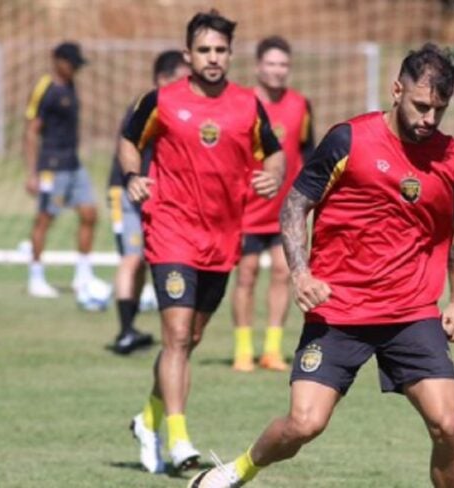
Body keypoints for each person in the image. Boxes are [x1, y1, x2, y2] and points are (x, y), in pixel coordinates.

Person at [189, 43, 454, 488]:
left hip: (410, 311)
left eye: (440, 109)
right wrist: (301, 273)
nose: (429, 120)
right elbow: (295, 205)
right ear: (396, 90)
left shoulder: (449, 155)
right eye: (421, 106)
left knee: (448, 426)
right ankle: (237, 470)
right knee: (305, 424)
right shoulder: (349, 140)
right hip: (339, 310)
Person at [120, 10, 285, 474]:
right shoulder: (162, 101)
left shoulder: (248, 105)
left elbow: (273, 153)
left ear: (230, 55)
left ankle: (147, 419)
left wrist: (273, 177)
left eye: (220, 50)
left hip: (222, 237)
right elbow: (130, 140)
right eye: (204, 50)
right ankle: (178, 438)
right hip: (170, 230)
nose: (213, 58)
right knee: (175, 335)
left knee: (190, 338)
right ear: (189, 54)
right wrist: (134, 176)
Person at [231, 35, 315, 373]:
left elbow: (308, 151)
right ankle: (242, 349)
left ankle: (272, 350)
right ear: (258, 66)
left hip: (284, 210)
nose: (278, 71)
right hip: (247, 209)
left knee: (284, 272)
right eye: (271, 64)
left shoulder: (300, 104)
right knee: (247, 275)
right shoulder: (242, 102)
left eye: (283, 65)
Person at [107, 50, 190, 355]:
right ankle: (125, 332)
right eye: (181, 77)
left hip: (156, 195)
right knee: (131, 257)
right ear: (162, 79)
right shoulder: (148, 105)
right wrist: (133, 179)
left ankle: (132, 327)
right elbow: (127, 146)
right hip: (126, 192)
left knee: (143, 259)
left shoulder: (181, 109)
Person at [24, 41, 100, 298]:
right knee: (46, 218)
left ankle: (83, 274)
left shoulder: (71, 85)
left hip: (73, 163)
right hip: (52, 166)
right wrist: (32, 173)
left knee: (90, 212)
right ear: (57, 61)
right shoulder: (45, 88)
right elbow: (32, 131)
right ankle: (36, 277)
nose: (75, 69)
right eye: (72, 64)